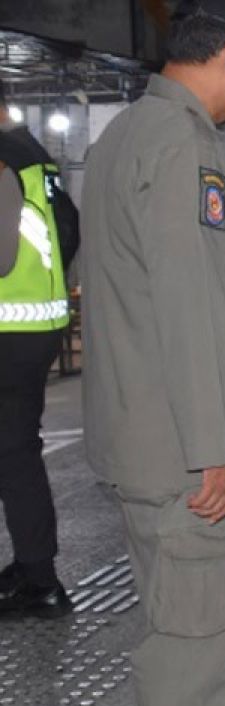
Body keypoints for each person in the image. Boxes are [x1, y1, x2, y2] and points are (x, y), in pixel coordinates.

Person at [80, 1, 225, 706]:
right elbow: (191, 307)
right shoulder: (184, 146)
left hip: (135, 431)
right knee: (198, 625)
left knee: (173, 613)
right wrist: (216, 449)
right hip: (178, 446)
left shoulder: (126, 132)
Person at [0, 83, 78, 618]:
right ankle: (36, 572)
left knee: (14, 455)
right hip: (36, 326)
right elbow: (69, 232)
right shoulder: (37, 159)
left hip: (6, 330)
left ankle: (40, 577)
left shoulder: (4, 161)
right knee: (16, 452)